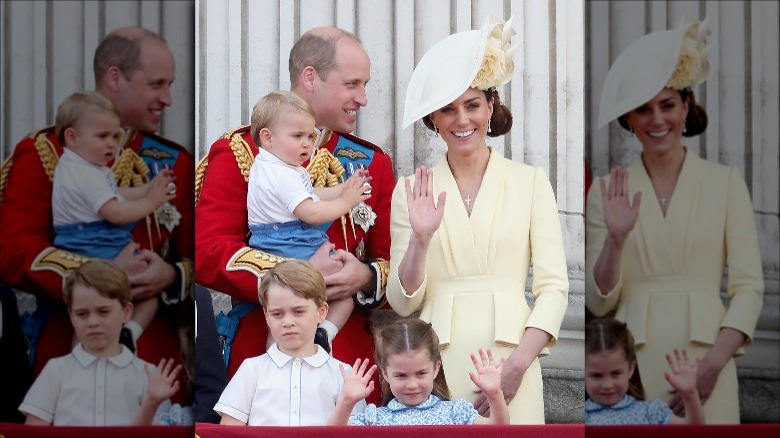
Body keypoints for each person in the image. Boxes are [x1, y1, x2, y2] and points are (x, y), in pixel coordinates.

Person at [195, 26, 394, 404]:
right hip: (263, 348)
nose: (363, 99)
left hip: (345, 360)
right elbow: (209, 252)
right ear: (310, 77)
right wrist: (293, 278)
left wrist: (365, 276)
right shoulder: (242, 152)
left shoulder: (371, 162)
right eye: (352, 84)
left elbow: (389, 263)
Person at [387, 16, 569, 424]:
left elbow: (554, 287)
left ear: (490, 107)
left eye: (472, 105)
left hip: (513, 359)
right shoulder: (411, 189)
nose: (461, 120)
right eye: (448, 109)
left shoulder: (531, 182)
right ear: (433, 119)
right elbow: (403, 303)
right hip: (436, 368)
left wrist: (518, 366)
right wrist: (420, 238)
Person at [0, 27, 194, 404]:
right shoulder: (46, 152)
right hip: (71, 342)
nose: (168, 99)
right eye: (157, 84)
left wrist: (172, 275)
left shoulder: (173, 160)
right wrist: (98, 277)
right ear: (115, 78)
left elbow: (197, 254)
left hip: (153, 355)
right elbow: (13, 250)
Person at [585, 17, 764, 424]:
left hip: (709, 362)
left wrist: (713, 367)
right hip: (631, 374)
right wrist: (615, 238)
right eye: (643, 109)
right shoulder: (606, 190)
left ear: (687, 106)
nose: (657, 119)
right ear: (629, 120)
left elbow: (749, 287)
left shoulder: (726, 183)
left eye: (667, 104)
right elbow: (599, 303)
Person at [247, 91, 372, 352]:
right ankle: (323, 333)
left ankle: (319, 337)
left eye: (310, 136)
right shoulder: (282, 174)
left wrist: (343, 189)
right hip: (290, 242)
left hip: (283, 239)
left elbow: (311, 196)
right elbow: (311, 213)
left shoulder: (274, 165)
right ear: (267, 138)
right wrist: (347, 201)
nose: (307, 144)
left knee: (288, 312)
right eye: (298, 136)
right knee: (338, 294)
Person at [52, 90, 177, 351]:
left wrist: (148, 188)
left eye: (115, 136)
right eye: (102, 136)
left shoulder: (83, 166)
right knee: (109, 303)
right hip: (93, 243)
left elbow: (117, 195)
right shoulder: (85, 173)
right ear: (72, 137)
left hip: (92, 239)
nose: (112, 144)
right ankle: (107, 343)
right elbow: (116, 213)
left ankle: (125, 336)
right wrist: (152, 202)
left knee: (112, 305)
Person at [18, 260, 181, 426]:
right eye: (82, 314)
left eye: (103, 312)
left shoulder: (148, 375)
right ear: (71, 316)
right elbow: (34, 429)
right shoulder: (56, 370)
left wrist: (151, 402)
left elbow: (161, 432)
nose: (93, 322)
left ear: (126, 312)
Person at [214, 260, 367, 426]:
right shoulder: (252, 370)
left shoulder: (342, 374)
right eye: (277, 314)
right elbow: (230, 429)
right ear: (267, 316)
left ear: (321, 312)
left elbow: (355, 431)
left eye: (298, 312)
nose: (288, 322)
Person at [329, 317, 510, 425]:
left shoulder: (456, 412)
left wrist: (494, 394)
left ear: (435, 368)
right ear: (385, 374)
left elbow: (498, 432)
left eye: (421, 373)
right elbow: (331, 437)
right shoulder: (374, 418)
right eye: (401, 375)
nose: (412, 384)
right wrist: (346, 402)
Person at [584, 318, 704, 425]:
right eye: (596, 376)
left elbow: (693, 432)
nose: (607, 385)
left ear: (631, 369)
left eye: (616, 374)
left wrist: (690, 395)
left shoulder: (651, 412)